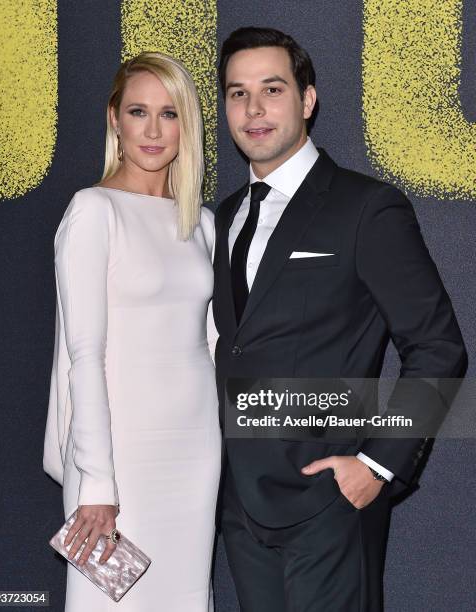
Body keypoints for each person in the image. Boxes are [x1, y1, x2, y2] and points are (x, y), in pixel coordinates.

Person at [213, 27, 467, 611]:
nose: (253, 109)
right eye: (236, 93)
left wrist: (377, 465)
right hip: (238, 505)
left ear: (307, 100)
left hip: (328, 500)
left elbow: (438, 346)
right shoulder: (223, 216)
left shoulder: (366, 207)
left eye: (272, 89)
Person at [43, 51, 221, 612]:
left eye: (169, 114)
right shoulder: (93, 211)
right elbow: (83, 355)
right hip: (120, 458)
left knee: (186, 598)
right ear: (114, 118)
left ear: (186, 125)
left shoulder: (203, 222)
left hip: (194, 454)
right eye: (138, 111)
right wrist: (97, 483)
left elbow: (211, 347)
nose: (152, 129)